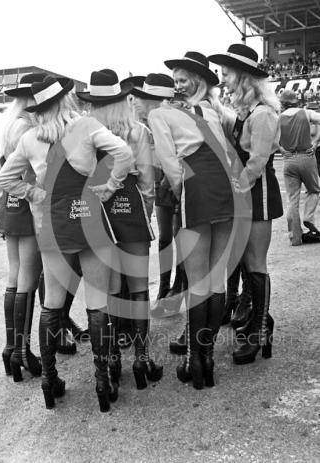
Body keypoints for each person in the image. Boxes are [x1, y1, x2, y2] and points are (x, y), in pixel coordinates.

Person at [0, 76, 133, 412]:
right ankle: (102, 380)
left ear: (40, 108)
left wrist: (36, 193)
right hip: (89, 220)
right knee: (98, 303)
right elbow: (124, 153)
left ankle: (49, 379)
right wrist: (111, 185)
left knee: (52, 304)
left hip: (54, 226)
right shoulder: (85, 126)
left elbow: (4, 180)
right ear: (64, 102)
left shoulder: (29, 138)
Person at [149, 51, 235, 389]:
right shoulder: (213, 112)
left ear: (196, 82)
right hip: (224, 186)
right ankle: (208, 359)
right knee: (215, 280)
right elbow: (227, 154)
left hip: (196, 186)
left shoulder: (160, 113)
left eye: (183, 79)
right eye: (176, 80)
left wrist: (181, 191)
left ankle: (195, 362)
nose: (178, 84)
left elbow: (170, 164)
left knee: (199, 280)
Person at [77, 69, 163, 390]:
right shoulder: (137, 131)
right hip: (131, 207)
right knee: (138, 287)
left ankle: (113, 359)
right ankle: (142, 358)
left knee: (108, 288)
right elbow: (147, 183)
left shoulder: (86, 131)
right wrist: (146, 217)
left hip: (98, 207)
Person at [209, 43, 283, 364]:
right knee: (246, 260)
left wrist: (236, 188)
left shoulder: (264, 113)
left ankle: (260, 332)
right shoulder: (246, 111)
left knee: (255, 263)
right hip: (246, 192)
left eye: (227, 73)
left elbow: (257, 163)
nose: (223, 79)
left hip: (258, 192)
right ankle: (258, 321)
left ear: (243, 76)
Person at [0, 73, 47, 382]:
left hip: (10, 204)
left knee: (15, 275)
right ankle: (22, 351)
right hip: (26, 203)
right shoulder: (28, 127)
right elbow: (30, 174)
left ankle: (11, 348)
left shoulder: (6, 124)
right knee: (28, 278)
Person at [130, 73, 187, 318]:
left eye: (141, 97)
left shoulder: (175, 116)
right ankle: (164, 290)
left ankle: (177, 292)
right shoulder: (149, 121)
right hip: (163, 183)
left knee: (181, 237)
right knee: (165, 238)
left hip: (183, 181)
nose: (136, 102)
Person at [278, 89, 320, 245]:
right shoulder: (306, 113)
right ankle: (308, 217)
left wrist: (282, 150)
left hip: (289, 160)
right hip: (306, 156)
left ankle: (295, 237)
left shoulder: (278, 118)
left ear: (282, 103)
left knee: (292, 199)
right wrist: (315, 143)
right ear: (296, 100)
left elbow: (270, 138)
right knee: (314, 190)